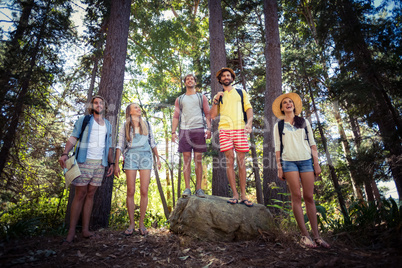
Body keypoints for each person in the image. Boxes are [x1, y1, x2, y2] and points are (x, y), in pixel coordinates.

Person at [272, 92, 330, 249]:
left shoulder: (304, 122)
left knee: (309, 196)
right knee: (296, 196)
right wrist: (279, 167)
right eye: (285, 103)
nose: (288, 104)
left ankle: (317, 237)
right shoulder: (279, 126)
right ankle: (305, 236)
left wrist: (316, 163)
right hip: (288, 162)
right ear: (282, 108)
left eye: (290, 102)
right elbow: (277, 148)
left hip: (306, 162)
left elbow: (312, 143)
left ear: (294, 105)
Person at [59, 95, 114, 244]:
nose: (98, 105)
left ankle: (85, 230)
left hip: (100, 164)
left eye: (101, 103)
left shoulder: (108, 125)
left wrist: (111, 163)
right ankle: (71, 232)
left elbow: (108, 145)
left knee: (90, 195)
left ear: (104, 106)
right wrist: (65, 153)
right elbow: (73, 137)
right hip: (83, 161)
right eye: (96, 103)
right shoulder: (84, 120)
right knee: (80, 194)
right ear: (92, 106)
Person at [114, 103, 161, 236]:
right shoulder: (125, 126)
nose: (139, 109)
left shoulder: (147, 124)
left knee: (144, 190)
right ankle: (131, 223)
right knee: (131, 190)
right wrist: (116, 163)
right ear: (129, 111)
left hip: (146, 156)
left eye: (139, 107)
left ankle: (141, 223)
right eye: (136, 107)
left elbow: (152, 142)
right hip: (131, 157)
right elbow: (120, 145)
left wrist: (157, 158)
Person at [210, 67, 254, 207]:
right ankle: (234, 194)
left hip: (240, 128)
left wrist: (249, 123)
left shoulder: (241, 92)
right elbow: (212, 115)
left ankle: (243, 195)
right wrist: (216, 100)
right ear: (220, 80)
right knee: (230, 160)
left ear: (232, 78)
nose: (226, 77)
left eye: (228, 75)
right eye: (223, 76)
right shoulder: (218, 96)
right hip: (224, 129)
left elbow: (248, 108)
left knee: (241, 160)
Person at [171, 74, 211, 198]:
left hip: (198, 130)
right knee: (186, 159)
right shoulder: (180, 99)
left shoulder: (201, 97)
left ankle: (199, 188)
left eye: (192, 79)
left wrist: (209, 128)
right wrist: (173, 132)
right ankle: (187, 188)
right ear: (185, 83)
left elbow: (207, 113)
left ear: (195, 82)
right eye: (188, 79)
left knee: (198, 159)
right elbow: (176, 116)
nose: (190, 80)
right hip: (184, 131)